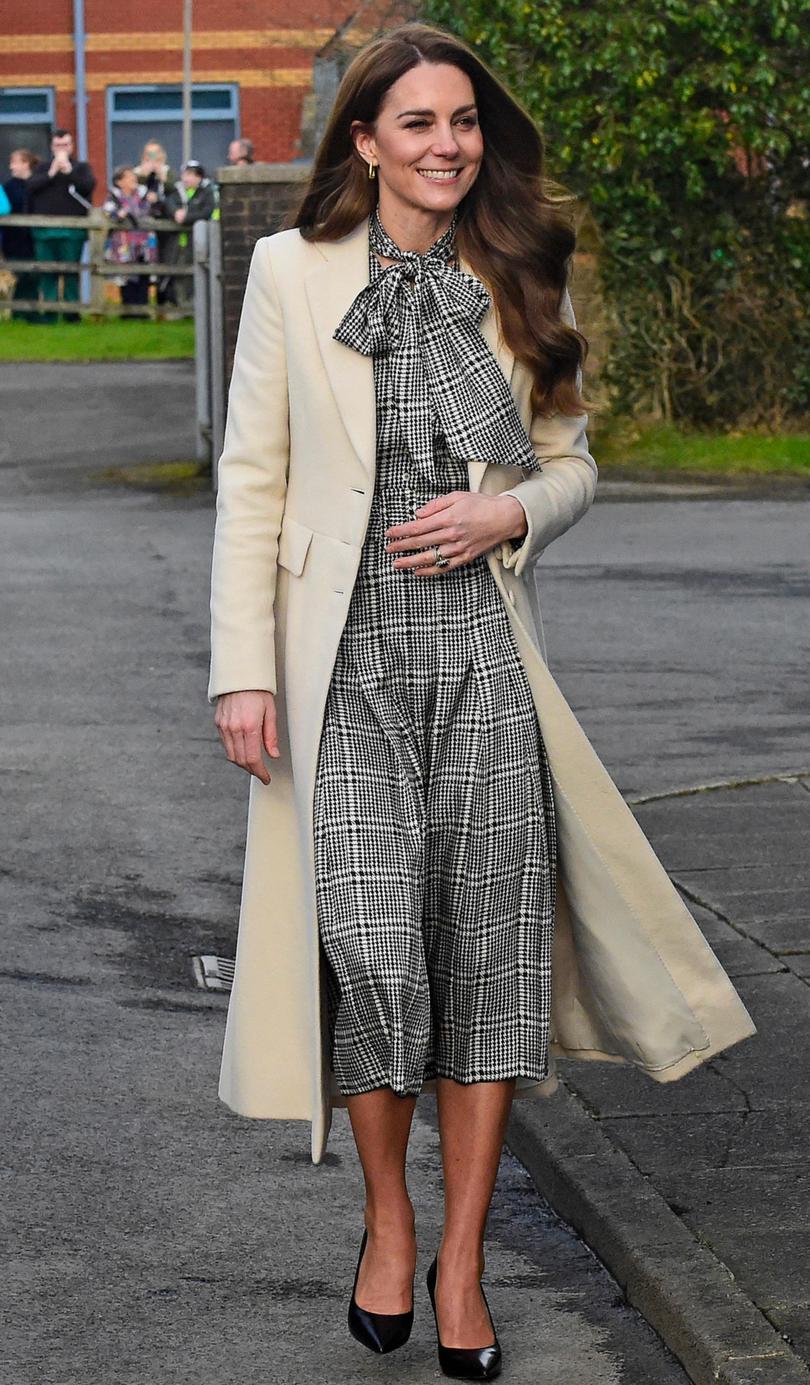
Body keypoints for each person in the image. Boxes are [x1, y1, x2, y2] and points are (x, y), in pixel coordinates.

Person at [207, 22, 755, 1380]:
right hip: (343, 672)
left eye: (462, 121)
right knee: (375, 958)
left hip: (485, 664)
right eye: (417, 124)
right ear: (363, 140)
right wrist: (241, 669)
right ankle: (385, 1221)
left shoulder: (521, 266)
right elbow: (249, 480)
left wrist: (509, 506)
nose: (446, 144)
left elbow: (570, 464)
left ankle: (458, 1262)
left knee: (489, 966)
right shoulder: (290, 271)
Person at [26, 128, 95, 323]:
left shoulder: (81, 168)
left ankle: (72, 313)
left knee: (71, 273)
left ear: (71, 146)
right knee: (47, 273)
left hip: (72, 232)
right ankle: (49, 312)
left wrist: (69, 172)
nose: (61, 149)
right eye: (58, 146)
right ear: (52, 147)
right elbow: (31, 187)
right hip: (44, 232)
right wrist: (51, 173)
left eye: (65, 145)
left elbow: (88, 186)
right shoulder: (42, 168)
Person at [161, 159, 217, 311]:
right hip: (177, 242)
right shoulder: (176, 191)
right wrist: (175, 213)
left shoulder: (206, 191)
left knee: (196, 273)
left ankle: (195, 306)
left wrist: (186, 217)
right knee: (178, 273)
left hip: (197, 241)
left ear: (199, 177)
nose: (186, 178)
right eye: (185, 174)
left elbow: (207, 211)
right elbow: (168, 204)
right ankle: (180, 306)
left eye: (191, 175)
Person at [102, 165, 157, 314]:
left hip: (144, 243)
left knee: (143, 276)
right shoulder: (114, 196)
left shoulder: (143, 194)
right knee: (126, 277)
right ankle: (128, 311)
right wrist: (118, 214)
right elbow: (107, 212)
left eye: (133, 176)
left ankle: (143, 310)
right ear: (119, 181)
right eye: (128, 177)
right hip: (124, 244)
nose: (133, 179)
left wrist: (153, 200)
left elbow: (152, 210)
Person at [134, 140, 179, 308]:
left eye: (156, 153)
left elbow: (173, 192)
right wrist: (143, 176)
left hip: (165, 224)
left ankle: (164, 298)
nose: (153, 158)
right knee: (143, 260)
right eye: (149, 154)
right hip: (143, 224)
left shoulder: (168, 173)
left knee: (167, 259)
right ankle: (141, 301)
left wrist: (162, 176)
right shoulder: (138, 173)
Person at [1, 149, 39, 320]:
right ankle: (19, 313)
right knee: (19, 274)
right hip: (13, 239)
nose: (11, 167)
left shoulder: (37, 184)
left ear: (26, 163)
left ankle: (31, 312)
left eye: (14, 162)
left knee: (34, 275)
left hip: (34, 238)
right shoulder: (8, 187)